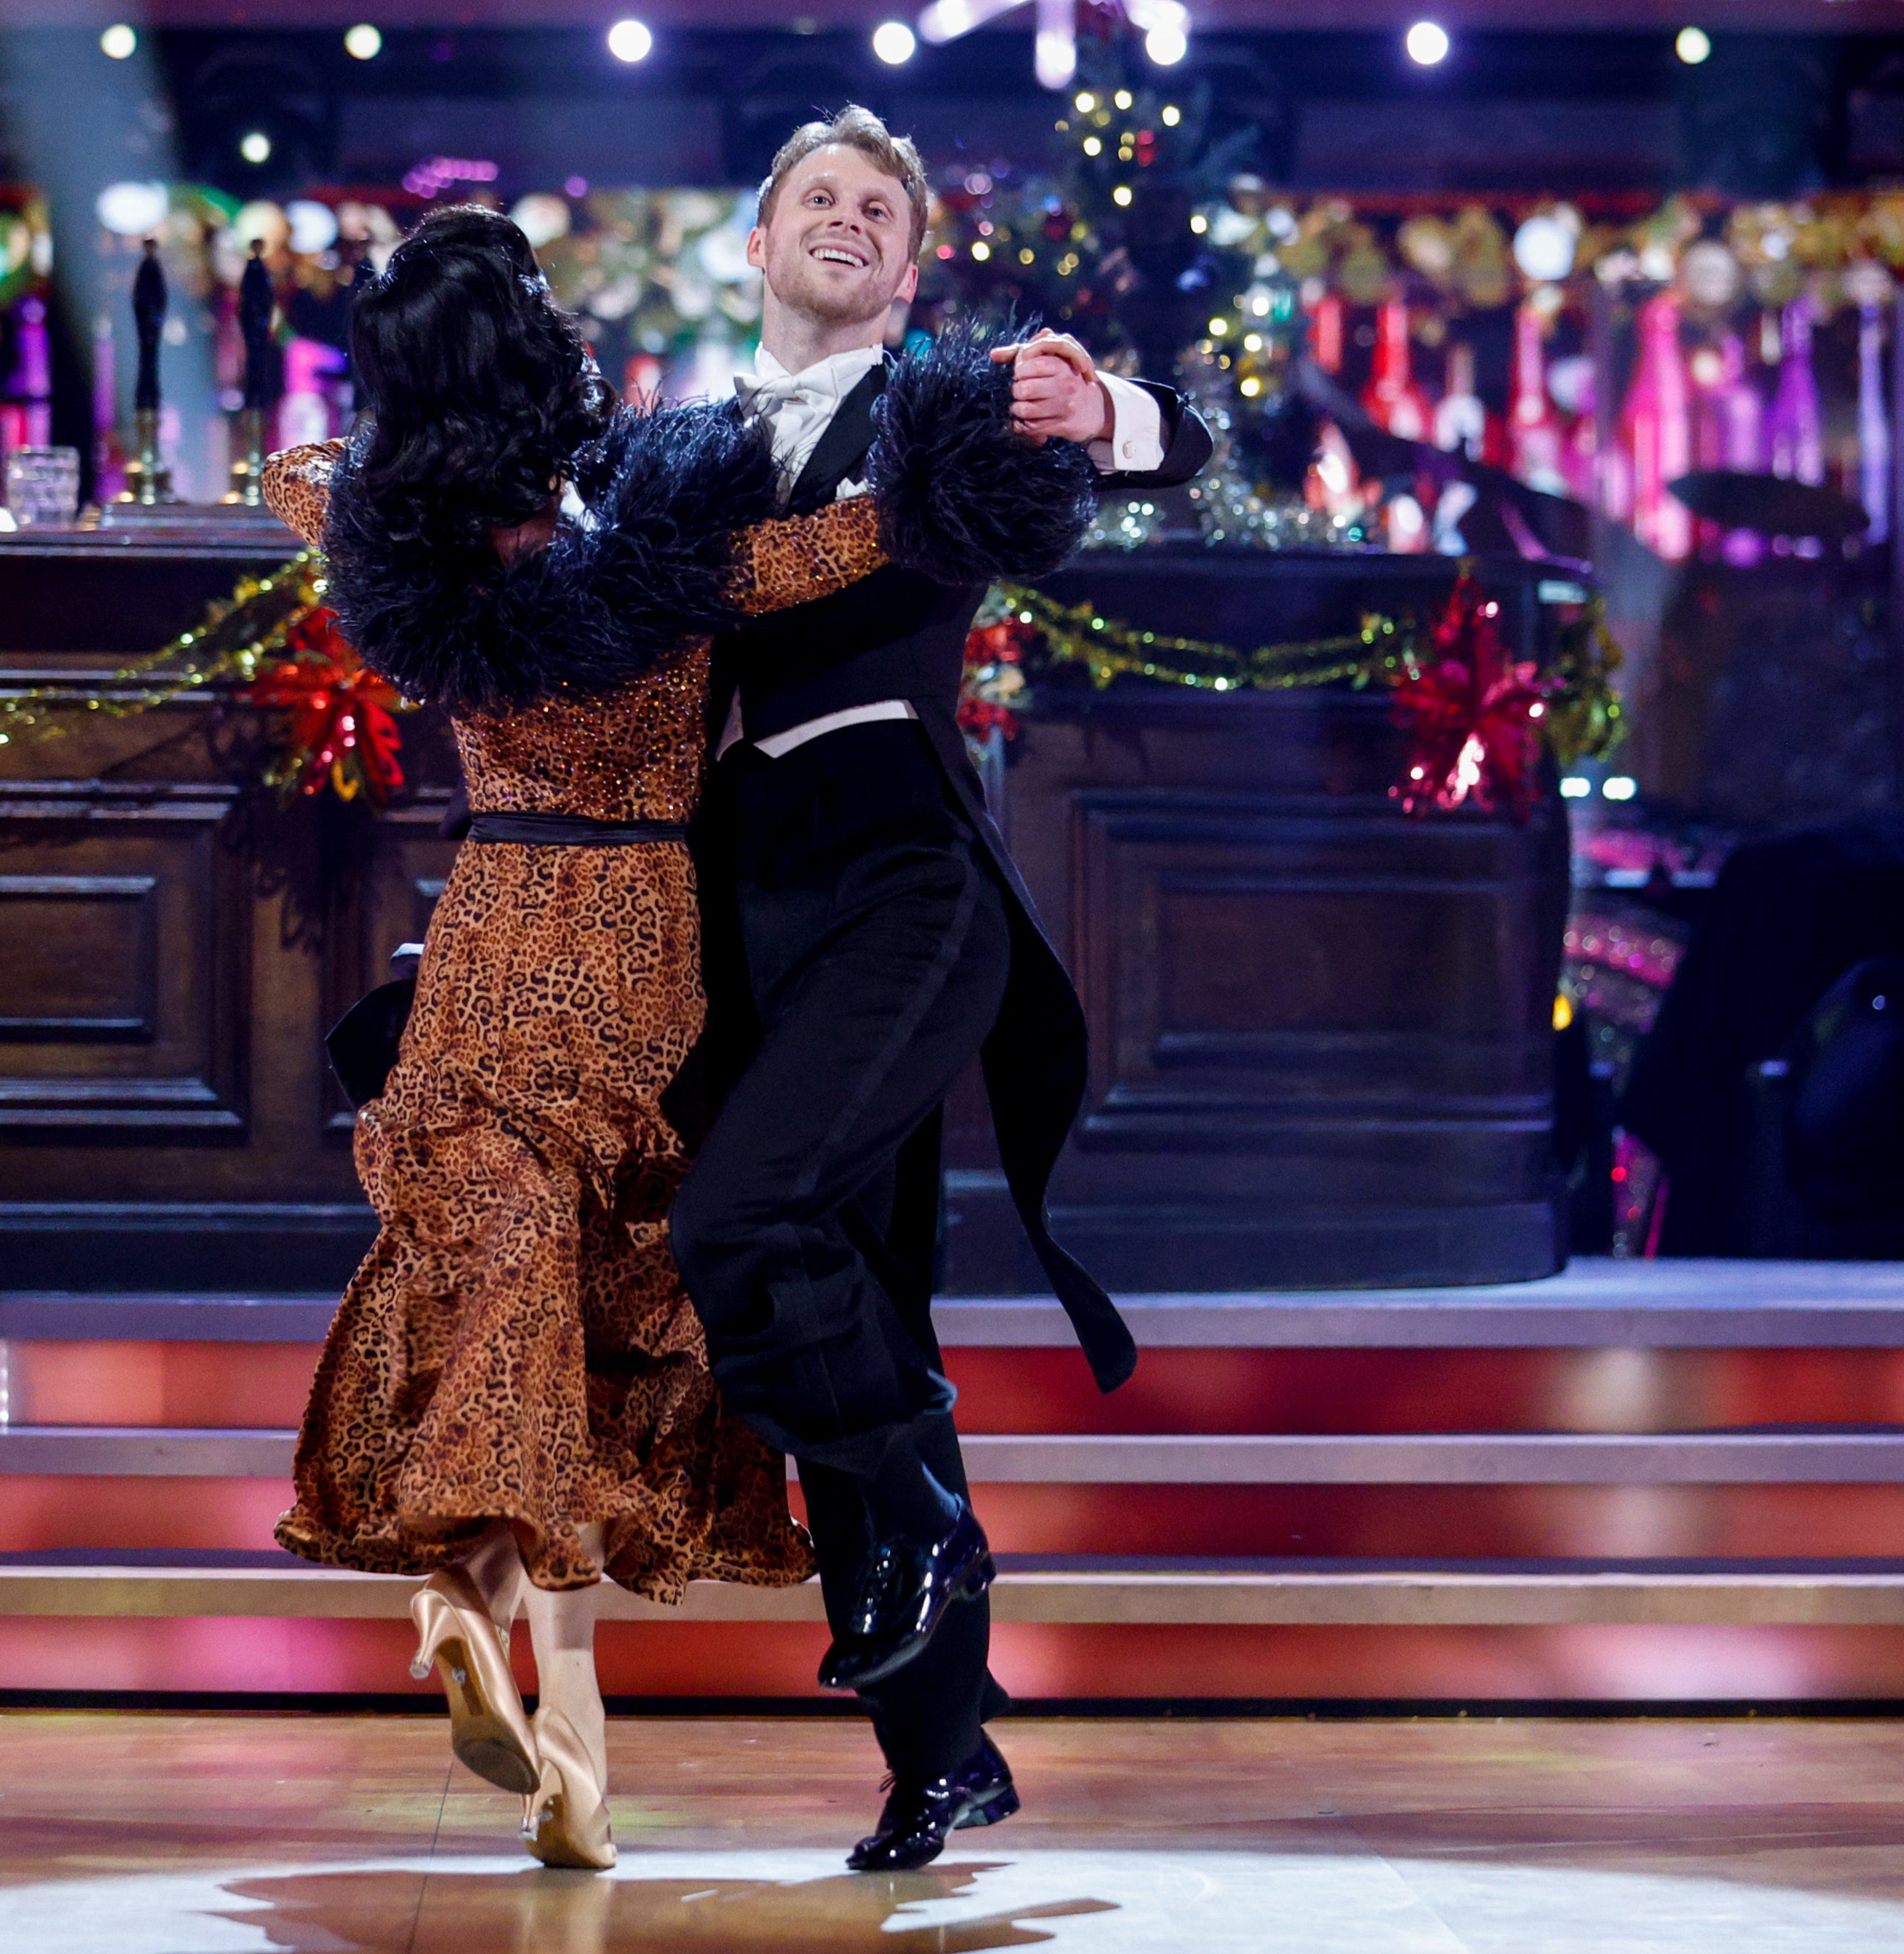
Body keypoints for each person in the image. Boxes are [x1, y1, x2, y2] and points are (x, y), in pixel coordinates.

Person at [257, 205, 1106, 1872]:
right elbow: (844, 548)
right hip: (636, 948)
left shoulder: (391, 547)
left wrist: (410, 461)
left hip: (491, 934)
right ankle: (565, 1733)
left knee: (496, 1284)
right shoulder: (668, 568)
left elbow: (293, 471)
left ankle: (479, 1623)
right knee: (606, 1315)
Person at [667, 108, 1213, 1873]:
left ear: (909, 269)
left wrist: (1102, 405)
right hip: (740, 894)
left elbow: (1170, 449)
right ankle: (944, 1751)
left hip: (903, 872)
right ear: (757, 250)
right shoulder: (679, 448)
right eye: (812, 199)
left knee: (745, 1221)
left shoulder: (944, 404)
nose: (842, 220)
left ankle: (917, 1531)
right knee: (854, 1291)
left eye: (875, 209)